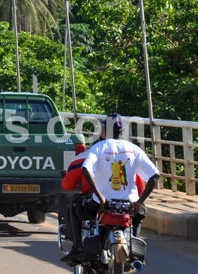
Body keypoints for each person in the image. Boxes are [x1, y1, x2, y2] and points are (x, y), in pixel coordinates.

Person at [67, 113, 159, 265]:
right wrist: (139, 201)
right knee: (140, 213)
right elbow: (155, 175)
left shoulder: (99, 148)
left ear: (104, 131)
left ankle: (78, 248)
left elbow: (85, 169)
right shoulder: (133, 149)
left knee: (75, 204)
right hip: (129, 205)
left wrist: (101, 197)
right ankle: (133, 245)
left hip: (102, 203)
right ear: (120, 131)